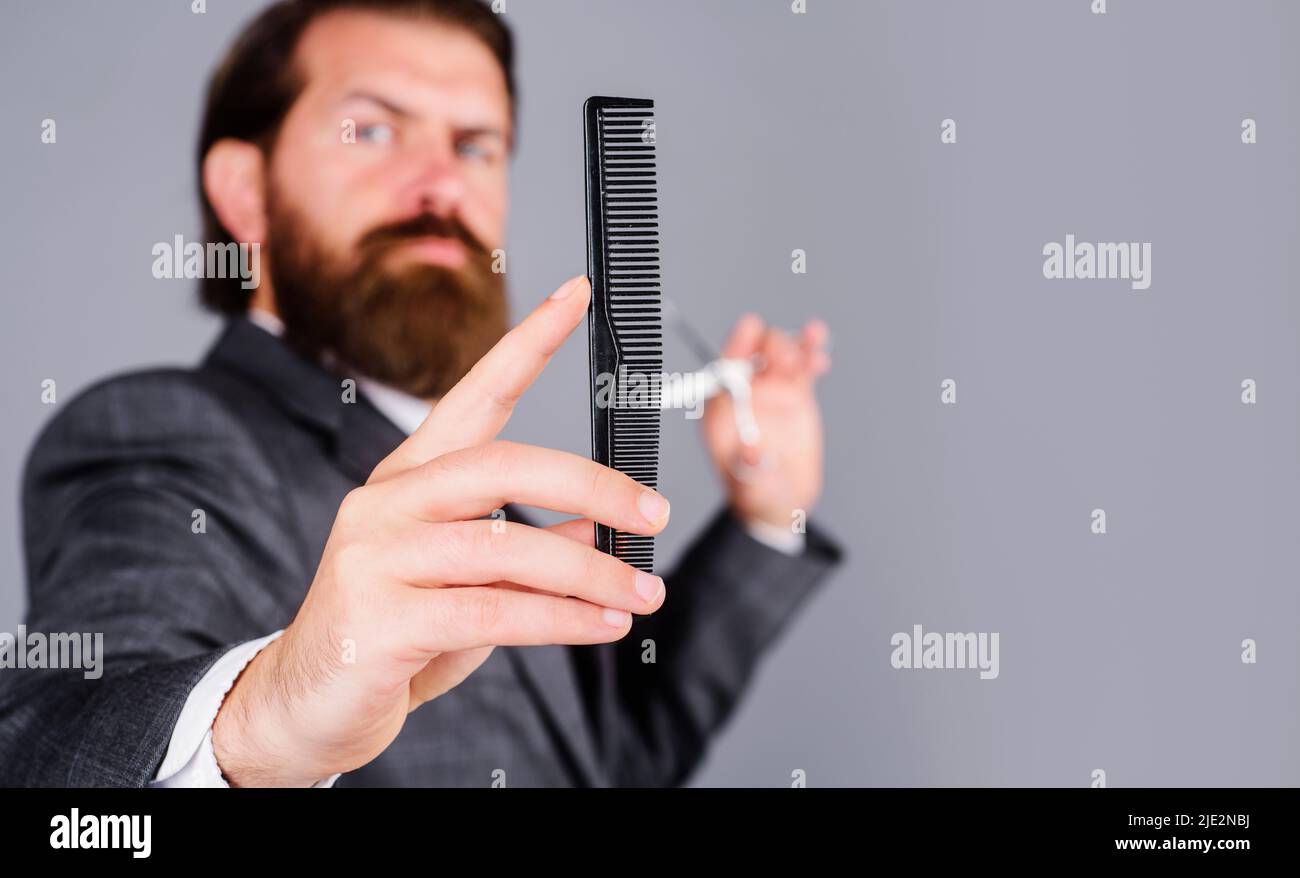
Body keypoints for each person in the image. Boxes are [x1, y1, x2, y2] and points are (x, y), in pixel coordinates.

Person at [0, 0, 840, 787]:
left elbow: (612, 756)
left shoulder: (476, 499)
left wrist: (764, 514)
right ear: (244, 192)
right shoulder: (162, 437)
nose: (441, 182)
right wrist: (265, 721)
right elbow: (45, 749)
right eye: (370, 129)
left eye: (477, 144)